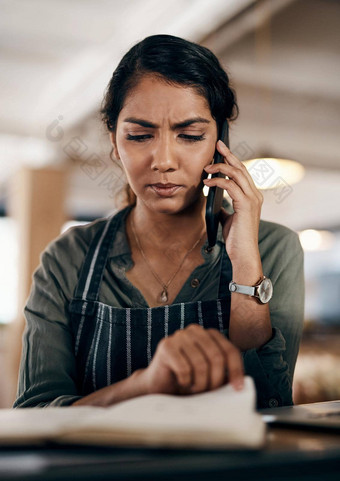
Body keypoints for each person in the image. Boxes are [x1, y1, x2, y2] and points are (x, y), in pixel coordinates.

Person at [14, 34, 304, 409]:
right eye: (139, 135)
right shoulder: (67, 259)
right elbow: (34, 416)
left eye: (190, 135)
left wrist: (245, 264)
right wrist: (146, 385)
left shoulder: (273, 249)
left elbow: (270, 408)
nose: (163, 160)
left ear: (221, 141)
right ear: (115, 143)